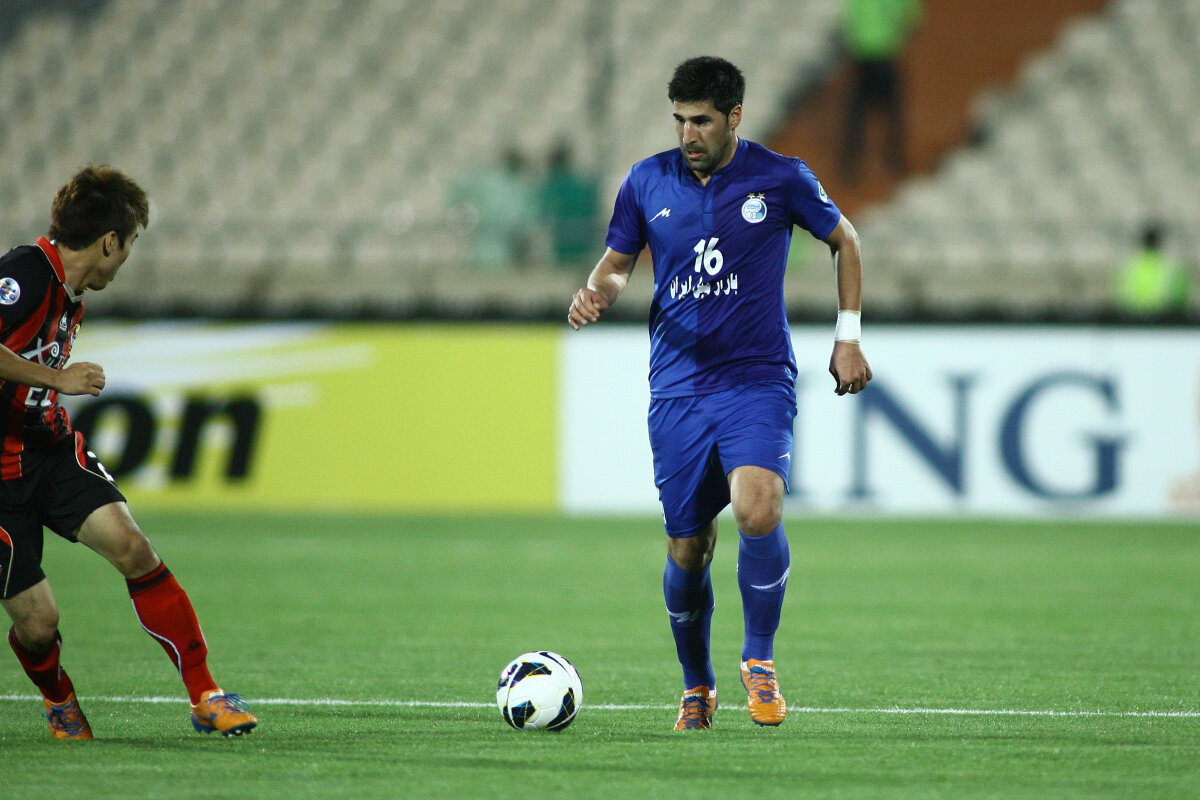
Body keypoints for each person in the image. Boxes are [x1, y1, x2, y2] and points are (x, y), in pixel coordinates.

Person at [567, 57, 872, 730]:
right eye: (679, 120)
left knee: (758, 508)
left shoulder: (781, 177)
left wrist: (847, 337)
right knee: (689, 546)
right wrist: (596, 292)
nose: (688, 134)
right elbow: (616, 265)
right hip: (677, 389)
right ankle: (696, 686)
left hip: (756, 379)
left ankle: (758, 659)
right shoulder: (646, 181)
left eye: (701, 121)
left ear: (734, 117)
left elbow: (845, 240)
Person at [0, 164, 257, 739]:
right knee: (39, 624)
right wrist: (56, 378)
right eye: (132, 242)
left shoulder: (68, 291)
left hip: (49, 450)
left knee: (134, 547)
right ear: (109, 240)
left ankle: (206, 695)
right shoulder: (24, 275)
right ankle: (58, 698)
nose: (127, 257)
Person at [838, 0, 922, 182]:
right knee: (892, 109)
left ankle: (850, 162)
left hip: (862, 54)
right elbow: (912, 18)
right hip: (887, 54)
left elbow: (849, 19)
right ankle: (894, 157)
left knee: (857, 112)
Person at [538, 141, 599, 268]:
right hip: (583, 243)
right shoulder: (582, 185)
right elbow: (592, 209)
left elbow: (544, 214)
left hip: (562, 245)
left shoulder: (551, 186)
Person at [1113, 222, 1190, 317]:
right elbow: (1180, 298)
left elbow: (1119, 297)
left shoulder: (1129, 266)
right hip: (1164, 318)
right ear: (1160, 243)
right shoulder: (1171, 267)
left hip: (1133, 318)